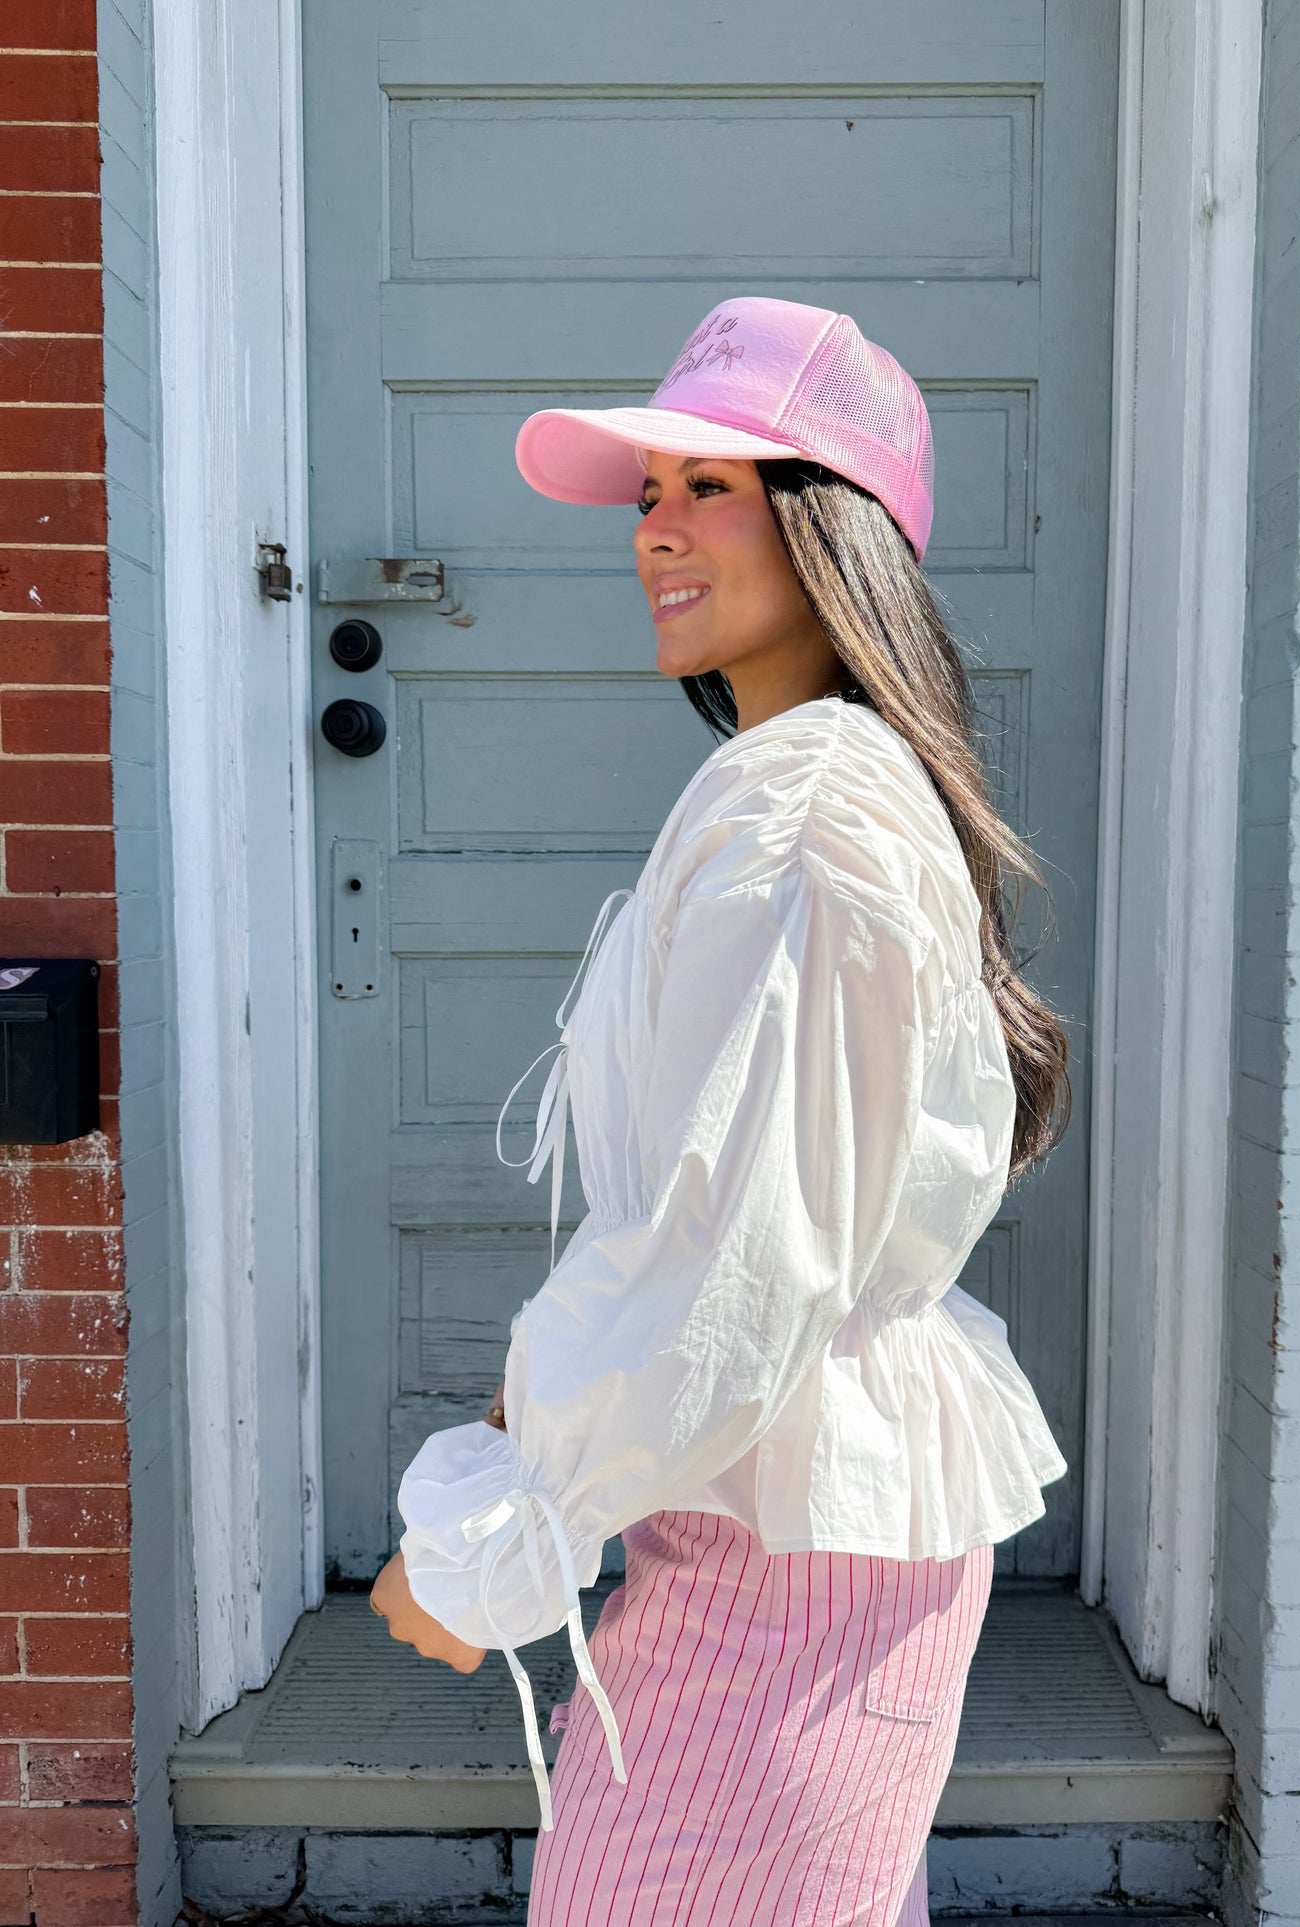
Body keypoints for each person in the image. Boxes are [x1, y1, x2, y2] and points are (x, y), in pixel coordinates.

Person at [370, 295, 1070, 1926]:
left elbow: (731, 1253)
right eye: (646, 494)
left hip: (782, 1553)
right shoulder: (806, 786)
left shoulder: (806, 814)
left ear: (833, 531)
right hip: (785, 1519)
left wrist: (495, 1537)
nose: (655, 535)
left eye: (712, 487)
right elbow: (731, 1232)